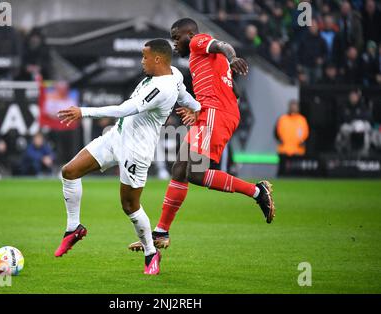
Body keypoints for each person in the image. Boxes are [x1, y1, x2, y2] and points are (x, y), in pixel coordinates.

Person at [53, 39, 201, 275]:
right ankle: (73, 228)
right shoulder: (174, 74)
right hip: (116, 137)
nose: (142, 61)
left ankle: (151, 252)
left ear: (158, 59)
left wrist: (84, 111)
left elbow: (125, 109)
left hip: (136, 151)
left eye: (145, 57)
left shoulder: (161, 88)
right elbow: (185, 96)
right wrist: (197, 108)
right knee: (69, 172)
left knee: (130, 206)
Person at [129, 18, 275, 252]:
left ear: (189, 34)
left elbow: (222, 45)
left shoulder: (199, 42)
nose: (174, 43)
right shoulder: (204, 61)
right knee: (179, 169)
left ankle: (257, 192)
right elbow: (233, 91)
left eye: (176, 38)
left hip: (216, 113)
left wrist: (232, 57)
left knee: (195, 173)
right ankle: (161, 232)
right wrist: (201, 107)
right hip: (210, 112)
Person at [274, 100, 309, 176]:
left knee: (297, 174)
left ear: (298, 108)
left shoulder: (302, 120)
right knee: (282, 173)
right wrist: (279, 139)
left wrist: (303, 142)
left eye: (295, 106)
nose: (293, 108)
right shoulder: (282, 119)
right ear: (289, 107)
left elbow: (306, 134)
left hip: (297, 150)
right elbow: (276, 132)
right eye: (292, 106)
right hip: (284, 150)